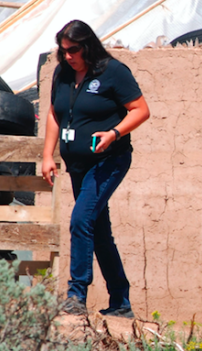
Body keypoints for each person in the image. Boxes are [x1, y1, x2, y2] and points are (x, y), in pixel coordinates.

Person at [42, 20, 150, 317]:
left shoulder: (113, 72)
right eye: (62, 51)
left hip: (108, 161)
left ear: (87, 45)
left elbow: (141, 110)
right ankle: (121, 302)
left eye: (73, 50)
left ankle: (76, 294)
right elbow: (54, 113)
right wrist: (48, 154)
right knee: (98, 231)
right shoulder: (62, 74)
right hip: (77, 165)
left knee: (80, 220)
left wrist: (114, 132)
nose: (67, 56)